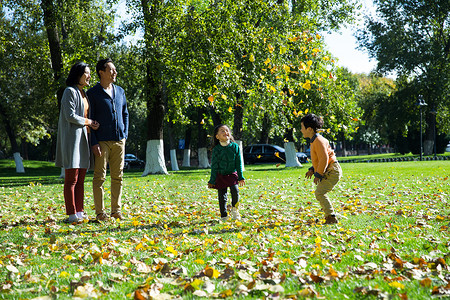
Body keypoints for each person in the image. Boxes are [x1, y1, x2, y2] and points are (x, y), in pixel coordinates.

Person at [55, 62, 99, 224]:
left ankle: (79, 212)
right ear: (77, 74)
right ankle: (71, 213)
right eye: (86, 73)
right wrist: (89, 121)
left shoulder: (84, 93)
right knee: (71, 179)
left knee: (81, 179)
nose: (89, 76)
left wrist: (91, 124)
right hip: (72, 140)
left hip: (84, 139)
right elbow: (70, 115)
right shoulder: (70, 91)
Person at [87, 58, 129, 221]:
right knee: (99, 178)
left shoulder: (120, 91)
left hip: (119, 141)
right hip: (101, 142)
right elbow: (89, 118)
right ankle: (100, 213)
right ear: (101, 72)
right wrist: (94, 142)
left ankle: (116, 211)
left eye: (115, 70)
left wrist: (124, 134)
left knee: (118, 176)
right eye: (111, 70)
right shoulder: (92, 93)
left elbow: (125, 113)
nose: (114, 72)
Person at [300, 113, 342, 224]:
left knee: (320, 193)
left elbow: (324, 158)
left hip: (332, 170)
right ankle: (330, 214)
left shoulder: (318, 140)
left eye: (302, 128)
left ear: (309, 129)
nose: (301, 130)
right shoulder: (315, 140)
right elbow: (319, 159)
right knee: (320, 193)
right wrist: (312, 169)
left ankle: (331, 217)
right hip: (330, 169)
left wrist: (318, 173)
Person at [208, 124, 245, 221]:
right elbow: (214, 166)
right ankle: (224, 215)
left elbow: (238, 163)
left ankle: (235, 210)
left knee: (235, 191)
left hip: (232, 174)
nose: (225, 132)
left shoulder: (235, 147)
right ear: (217, 136)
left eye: (227, 130)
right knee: (222, 196)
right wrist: (212, 180)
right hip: (220, 175)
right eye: (222, 131)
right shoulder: (216, 150)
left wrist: (240, 177)